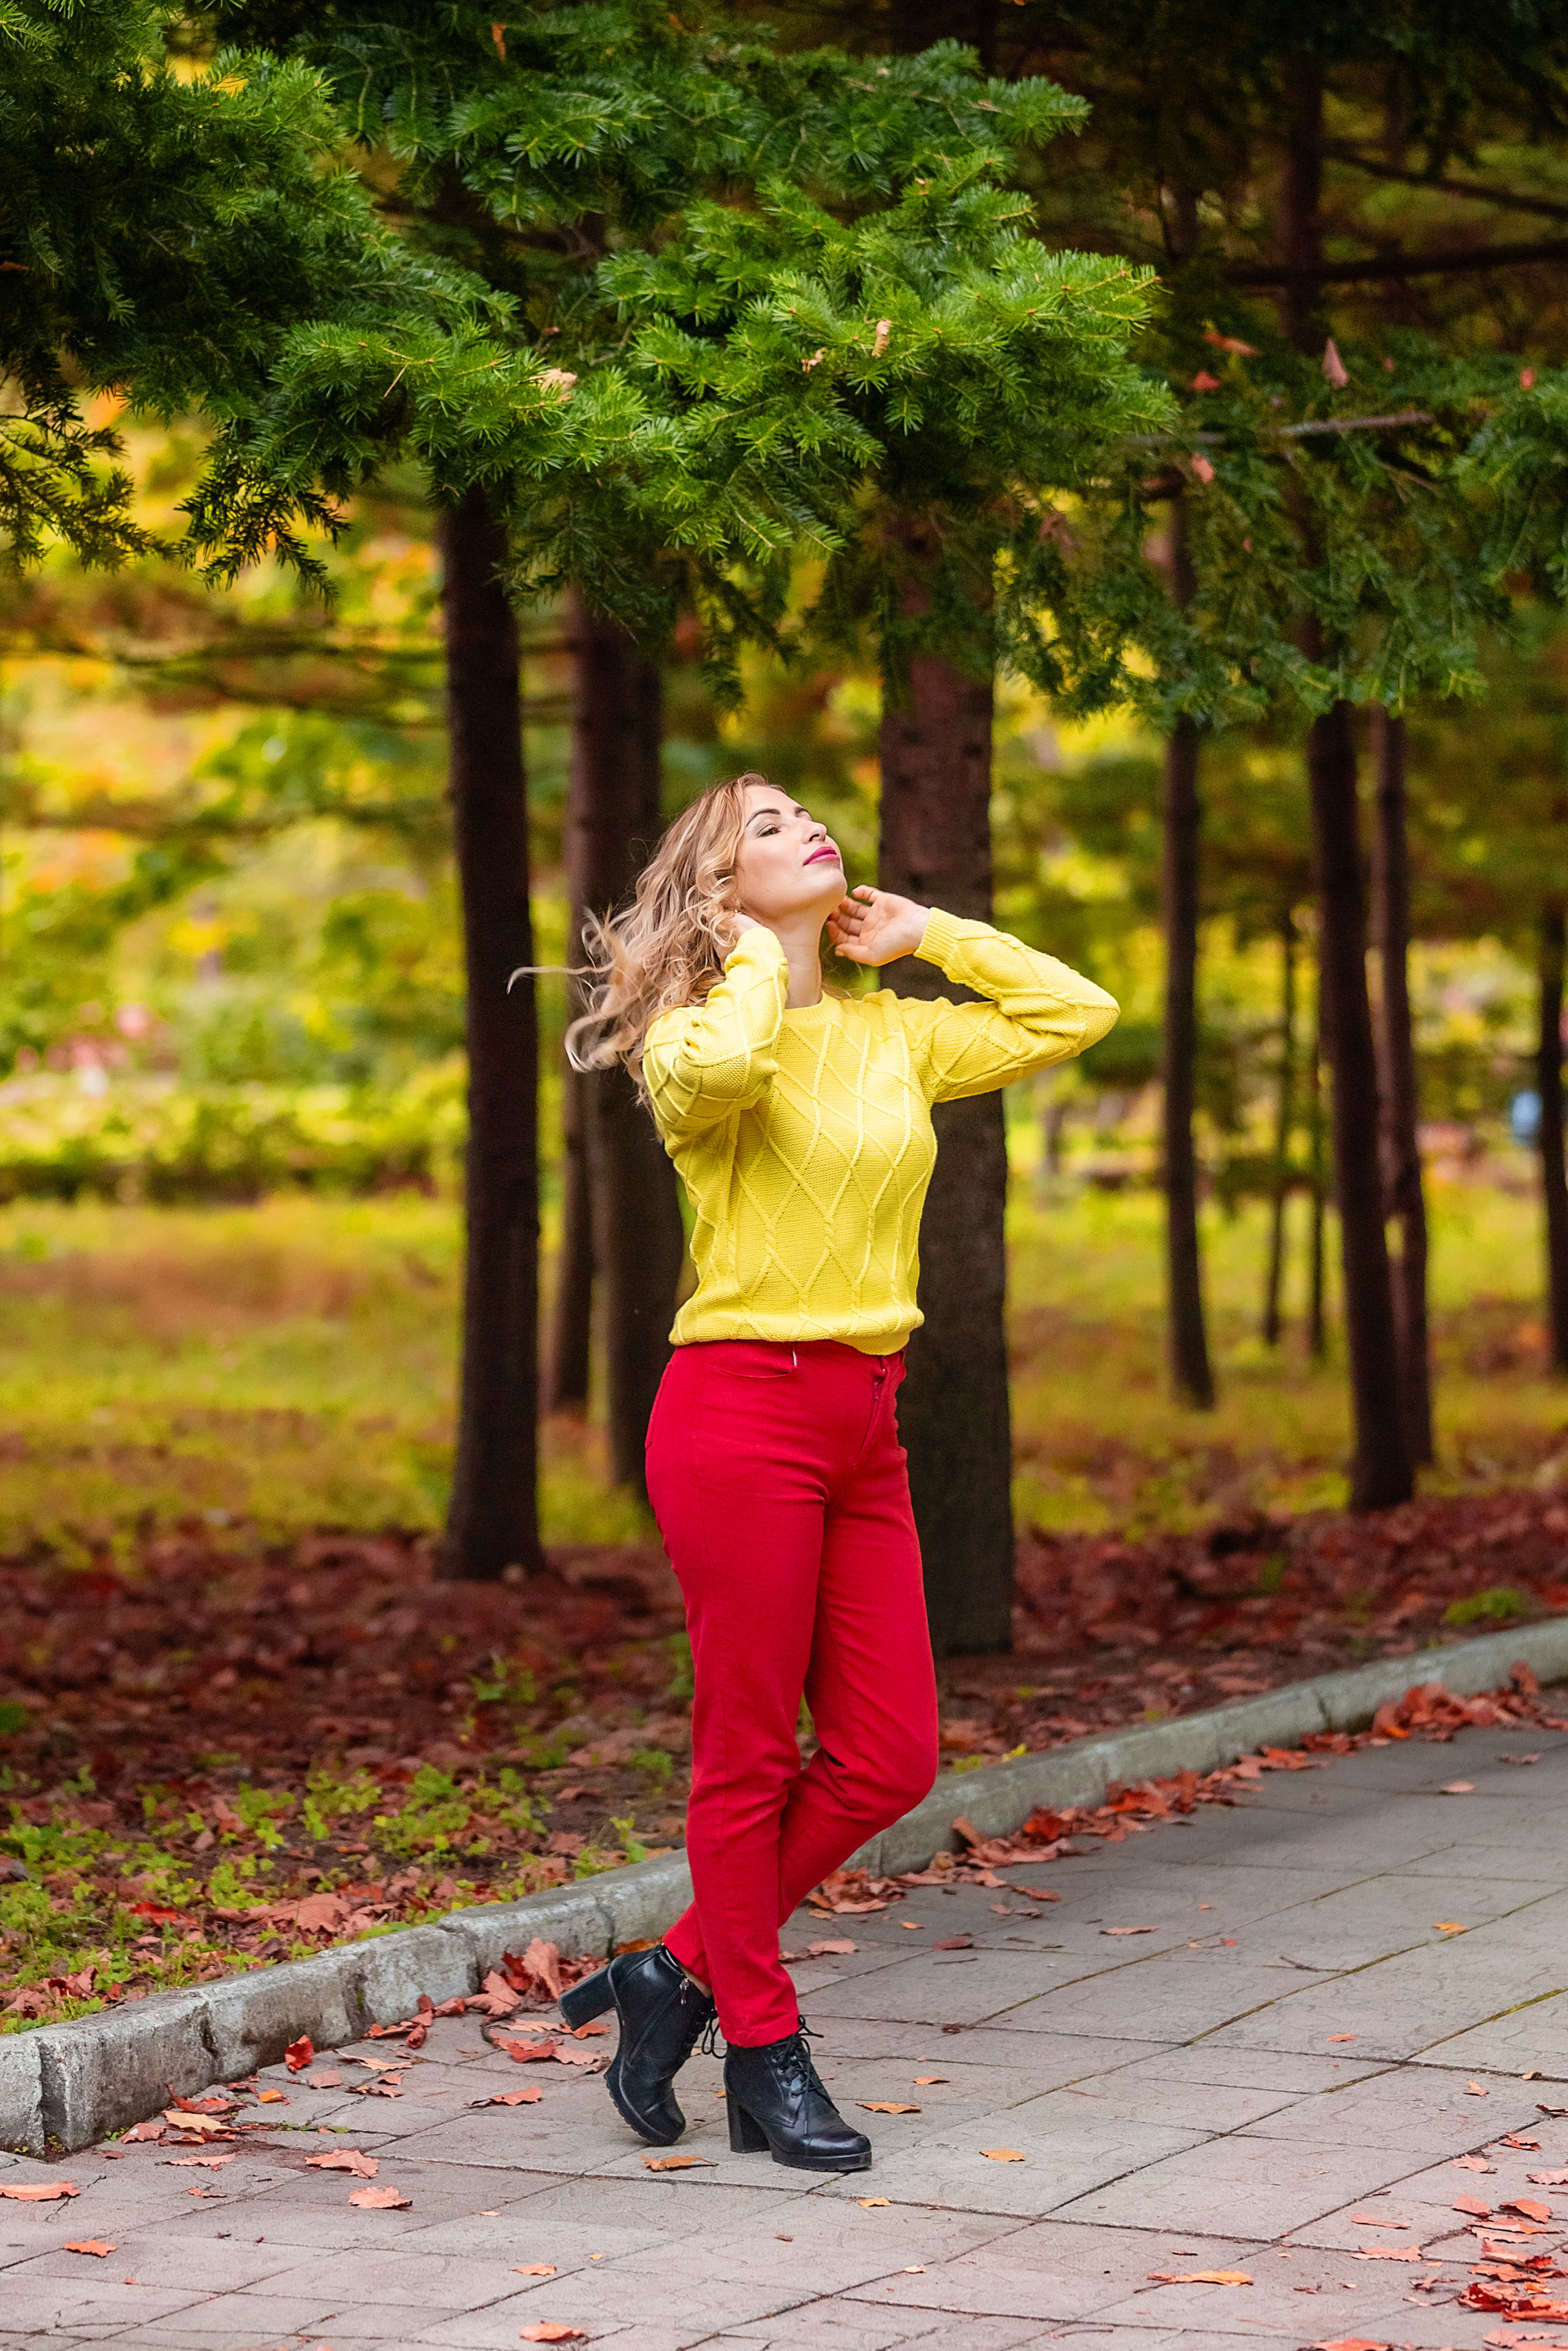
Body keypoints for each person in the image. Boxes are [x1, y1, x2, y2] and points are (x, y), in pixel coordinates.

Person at [558, 771, 1117, 2170]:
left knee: (888, 1754)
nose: (807, 824)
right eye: (764, 824)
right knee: (745, 1748)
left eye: (806, 810)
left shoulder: (894, 1037)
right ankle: (761, 2039)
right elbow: (730, 1072)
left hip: (864, 1419)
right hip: (739, 1408)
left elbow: (1076, 1011)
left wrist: (930, 932)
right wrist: (754, 955)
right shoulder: (690, 1037)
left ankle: (669, 1971)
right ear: (718, 886)